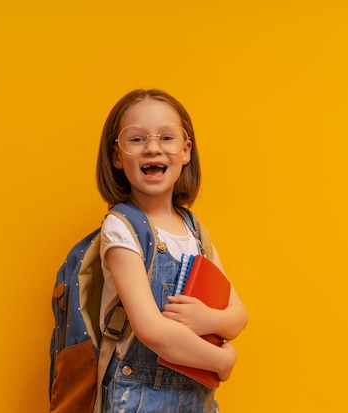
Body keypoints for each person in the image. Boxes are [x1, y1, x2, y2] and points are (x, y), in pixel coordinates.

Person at [96, 89, 249, 412]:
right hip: (139, 399)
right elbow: (152, 330)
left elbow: (237, 315)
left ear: (185, 151)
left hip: (198, 400)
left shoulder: (194, 231)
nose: (153, 147)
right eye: (136, 139)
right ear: (116, 156)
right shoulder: (121, 228)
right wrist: (223, 359)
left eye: (166, 137)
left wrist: (207, 318)